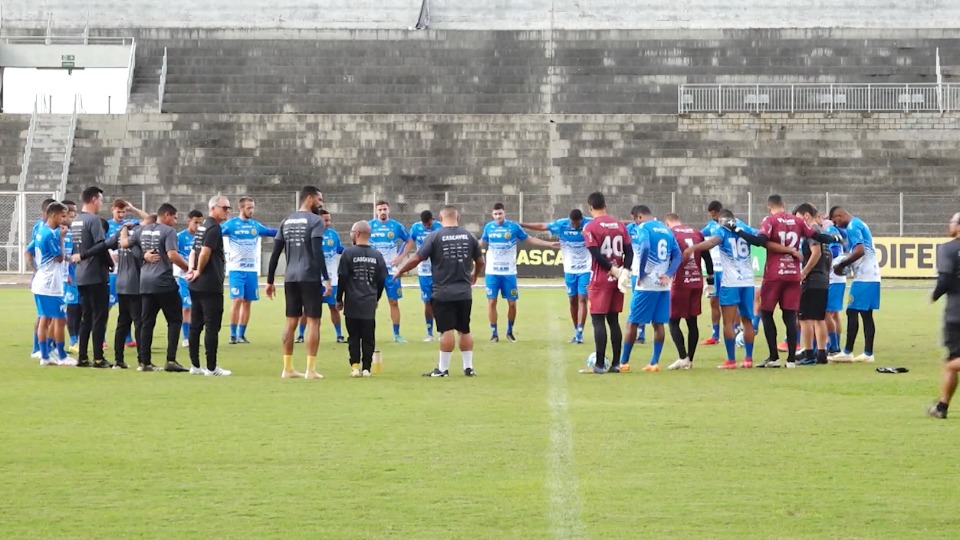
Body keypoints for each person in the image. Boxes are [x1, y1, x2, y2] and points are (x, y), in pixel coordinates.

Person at [732, 195, 841, 368]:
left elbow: (760, 241)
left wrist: (737, 231)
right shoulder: (797, 222)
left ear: (769, 208)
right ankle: (791, 359)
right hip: (793, 273)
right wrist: (833, 238)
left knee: (766, 313)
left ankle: (774, 357)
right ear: (784, 205)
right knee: (790, 315)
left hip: (775, 274)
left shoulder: (770, 220)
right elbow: (817, 236)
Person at [395, 205, 484, 377]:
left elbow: (417, 258)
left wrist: (401, 271)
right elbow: (480, 262)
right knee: (464, 329)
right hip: (464, 292)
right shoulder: (469, 236)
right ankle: (468, 367)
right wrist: (474, 274)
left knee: (446, 330)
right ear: (458, 218)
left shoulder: (435, 236)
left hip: (443, 292)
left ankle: (443, 369)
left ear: (441, 219)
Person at [265, 186, 331, 379]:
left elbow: (276, 253)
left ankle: (287, 368)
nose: (321, 204)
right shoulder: (315, 221)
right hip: (309, 277)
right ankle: (310, 370)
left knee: (290, 321)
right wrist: (326, 278)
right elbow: (317, 251)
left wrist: (270, 281)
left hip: (290, 277)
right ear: (309, 198)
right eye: (319, 200)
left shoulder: (286, 221)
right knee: (313, 322)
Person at [685, 209, 758, 369]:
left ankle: (731, 360)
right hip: (747, 281)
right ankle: (748, 359)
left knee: (729, 322)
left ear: (721, 219)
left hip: (730, 282)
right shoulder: (744, 227)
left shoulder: (721, 229)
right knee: (747, 321)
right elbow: (759, 236)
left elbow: (712, 242)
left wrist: (694, 248)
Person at [123, 205, 191, 372]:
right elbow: (173, 255)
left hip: (145, 282)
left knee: (147, 322)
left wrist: (124, 228)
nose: (175, 221)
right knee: (175, 320)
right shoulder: (168, 232)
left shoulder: (142, 230)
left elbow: (124, 243)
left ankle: (144, 362)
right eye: (174, 217)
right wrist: (188, 268)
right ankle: (171, 360)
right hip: (164, 282)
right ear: (166, 215)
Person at [480, 202, 558, 343]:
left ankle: (509, 331)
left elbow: (530, 239)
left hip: (509, 272)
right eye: (495, 214)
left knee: (512, 304)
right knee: (491, 301)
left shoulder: (514, 227)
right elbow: (482, 242)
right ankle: (494, 333)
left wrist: (549, 244)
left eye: (500, 213)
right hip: (492, 271)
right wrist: (467, 245)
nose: (498, 216)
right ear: (492, 214)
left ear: (505, 213)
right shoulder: (488, 227)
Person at [620, 206, 681, 372]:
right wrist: (669, 273)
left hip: (646, 283)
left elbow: (645, 246)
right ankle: (654, 362)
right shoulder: (666, 229)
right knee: (658, 323)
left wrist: (641, 271)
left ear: (639, 217)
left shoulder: (643, 228)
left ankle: (623, 362)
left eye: (634, 219)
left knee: (632, 322)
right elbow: (677, 255)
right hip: (663, 284)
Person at [521, 209, 593, 344]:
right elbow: (542, 226)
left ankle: (579, 333)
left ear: (581, 220)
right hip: (569, 269)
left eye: (577, 224)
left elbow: (609, 223)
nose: (575, 226)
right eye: (573, 223)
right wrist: (523, 224)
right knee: (572, 300)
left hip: (586, 268)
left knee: (583, 299)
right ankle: (575, 328)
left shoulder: (589, 223)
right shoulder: (561, 224)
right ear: (570, 220)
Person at [581, 192, 633, 374]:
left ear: (590, 207)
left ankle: (600, 364)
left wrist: (613, 270)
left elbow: (596, 254)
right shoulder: (619, 224)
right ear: (605, 205)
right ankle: (616, 363)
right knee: (613, 320)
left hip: (601, 278)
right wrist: (624, 271)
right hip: (617, 280)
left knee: (598, 321)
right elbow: (629, 252)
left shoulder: (590, 227)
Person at [221, 196, 278, 344]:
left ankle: (241, 334)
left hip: (252, 270)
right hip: (236, 270)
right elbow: (215, 233)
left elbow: (271, 232)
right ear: (241, 209)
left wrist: (287, 230)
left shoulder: (255, 226)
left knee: (247, 302)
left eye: (252, 207)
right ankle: (232, 335)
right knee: (237, 300)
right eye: (248, 208)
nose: (251, 210)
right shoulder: (231, 224)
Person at [185, 196, 231, 376]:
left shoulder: (202, 227)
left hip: (196, 285)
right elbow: (204, 252)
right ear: (213, 208)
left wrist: (191, 269)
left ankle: (195, 366)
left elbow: (193, 251)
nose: (227, 211)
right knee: (212, 325)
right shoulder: (213, 228)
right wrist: (198, 270)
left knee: (196, 324)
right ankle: (211, 367)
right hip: (210, 283)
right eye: (225, 208)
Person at [828, 206, 882, 363]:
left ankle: (848, 351)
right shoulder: (860, 223)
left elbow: (859, 251)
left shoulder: (853, 226)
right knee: (865, 315)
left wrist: (842, 264)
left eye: (835, 221)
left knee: (852, 311)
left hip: (864, 277)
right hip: (871, 275)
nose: (836, 225)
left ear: (839, 215)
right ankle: (868, 353)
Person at [69, 186, 113, 368]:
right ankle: (98, 357)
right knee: (99, 317)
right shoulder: (93, 220)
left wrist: (81, 256)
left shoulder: (76, 220)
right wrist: (110, 262)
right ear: (94, 199)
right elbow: (100, 246)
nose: (101, 203)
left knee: (86, 317)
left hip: (81, 274)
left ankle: (82, 356)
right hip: (95, 274)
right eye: (101, 200)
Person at [337, 221, 388, 377]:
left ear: (356, 233)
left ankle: (355, 366)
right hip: (369, 302)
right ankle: (367, 367)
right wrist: (376, 297)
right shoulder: (377, 255)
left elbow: (343, 278)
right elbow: (381, 280)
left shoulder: (348, 253)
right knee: (368, 337)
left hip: (352, 302)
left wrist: (339, 298)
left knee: (353, 337)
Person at [25, 202, 72, 366]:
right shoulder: (50, 234)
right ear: (54, 215)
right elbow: (59, 257)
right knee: (60, 319)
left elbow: (29, 250)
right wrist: (62, 238)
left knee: (45, 318)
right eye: (62, 216)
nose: (64, 219)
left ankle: (44, 356)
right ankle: (61, 355)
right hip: (50, 284)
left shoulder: (40, 231)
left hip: (42, 282)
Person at [927, 212, 960, 419]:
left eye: (952, 222)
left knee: (951, 362)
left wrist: (934, 295)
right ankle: (941, 406)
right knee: (952, 361)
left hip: (956, 314)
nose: (949, 225)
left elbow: (945, 278)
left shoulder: (948, 249)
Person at [664, 213, 707, 370]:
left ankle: (683, 357)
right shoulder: (696, 232)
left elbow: (668, 256)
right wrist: (710, 280)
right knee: (692, 321)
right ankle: (690, 359)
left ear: (667, 223)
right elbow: (706, 255)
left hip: (680, 281)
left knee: (673, 320)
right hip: (697, 280)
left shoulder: (670, 233)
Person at [106, 215, 150, 370]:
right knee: (139, 322)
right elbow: (139, 255)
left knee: (123, 322)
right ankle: (142, 361)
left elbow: (106, 245)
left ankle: (118, 360)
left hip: (121, 283)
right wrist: (146, 257)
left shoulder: (121, 232)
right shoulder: (139, 235)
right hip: (135, 284)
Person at [794, 203, 832, 366]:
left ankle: (809, 353)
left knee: (805, 318)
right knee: (819, 318)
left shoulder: (812, 232)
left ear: (806, 216)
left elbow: (816, 253)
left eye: (798, 218)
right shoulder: (822, 231)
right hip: (823, 278)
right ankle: (821, 353)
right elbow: (827, 256)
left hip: (812, 280)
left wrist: (804, 273)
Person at [368, 200, 410, 343]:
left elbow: (409, 240)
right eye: (380, 210)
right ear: (376, 211)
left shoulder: (396, 226)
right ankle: (369, 333)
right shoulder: (370, 226)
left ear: (389, 210)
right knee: (372, 302)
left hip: (392, 271)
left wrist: (400, 257)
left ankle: (396, 334)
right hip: (374, 271)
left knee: (393, 302)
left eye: (385, 209)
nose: (383, 212)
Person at [406, 210, 442, 342]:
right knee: (427, 302)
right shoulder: (416, 228)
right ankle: (429, 332)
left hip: (438, 271)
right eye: (424, 224)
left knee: (440, 301)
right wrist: (401, 257)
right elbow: (409, 242)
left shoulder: (440, 227)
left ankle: (442, 331)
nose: (427, 226)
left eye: (428, 224)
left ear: (432, 220)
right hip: (424, 272)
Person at [30, 197, 57, 358]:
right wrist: (35, 270)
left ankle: (45, 346)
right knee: (44, 314)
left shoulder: (42, 228)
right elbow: (30, 250)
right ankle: (38, 348)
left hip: (46, 276)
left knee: (49, 314)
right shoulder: (43, 229)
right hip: (46, 277)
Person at [177, 210, 203, 347]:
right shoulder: (180, 237)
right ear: (188, 221)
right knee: (187, 307)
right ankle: (186, 337)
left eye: (200, 222)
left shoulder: (202, 237)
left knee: (197, 308)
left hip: (199, 278)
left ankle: (195, 336)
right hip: (184, 278)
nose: (198, 225)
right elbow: (173, 253)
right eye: (195, 222)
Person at [700, 201, 724, 346]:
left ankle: (735, 332)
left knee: (730, 304)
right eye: (711, 215)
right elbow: (698, 235)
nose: (713, 217)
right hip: (715, 270)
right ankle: (715, 335)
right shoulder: (711, 225)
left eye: (714, 214)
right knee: (713, 302)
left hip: (728, 270)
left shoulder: (732, 223)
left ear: (720, 211)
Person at [321, 209, 346, 343]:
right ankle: (301, 335)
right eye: (326, 220)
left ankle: (339, 335)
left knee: (334, 307)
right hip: (314, 279)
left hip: (332, 279)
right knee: (308, 309)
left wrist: (351, 251)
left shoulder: (333, 235)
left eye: (329, 220)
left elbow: (339, 249)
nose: (329, 223)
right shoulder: (311, 235)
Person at [823, 217, 847, 355]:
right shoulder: (835, 230)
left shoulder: (830, 230)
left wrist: (826, 263)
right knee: (835, 313)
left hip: (833, 278)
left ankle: (833, 346)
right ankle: (835, 344)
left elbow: (836, 252)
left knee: (826, 313)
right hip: (838, 279)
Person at [62, 200, 81, 351]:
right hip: (65, 278)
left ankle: (78, 340)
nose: (74, 217)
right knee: (71, 308)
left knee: (79, 307)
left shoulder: (74, 232)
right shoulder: (58, 232)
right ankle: (73, 341)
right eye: (72, 214)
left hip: (77, 276)